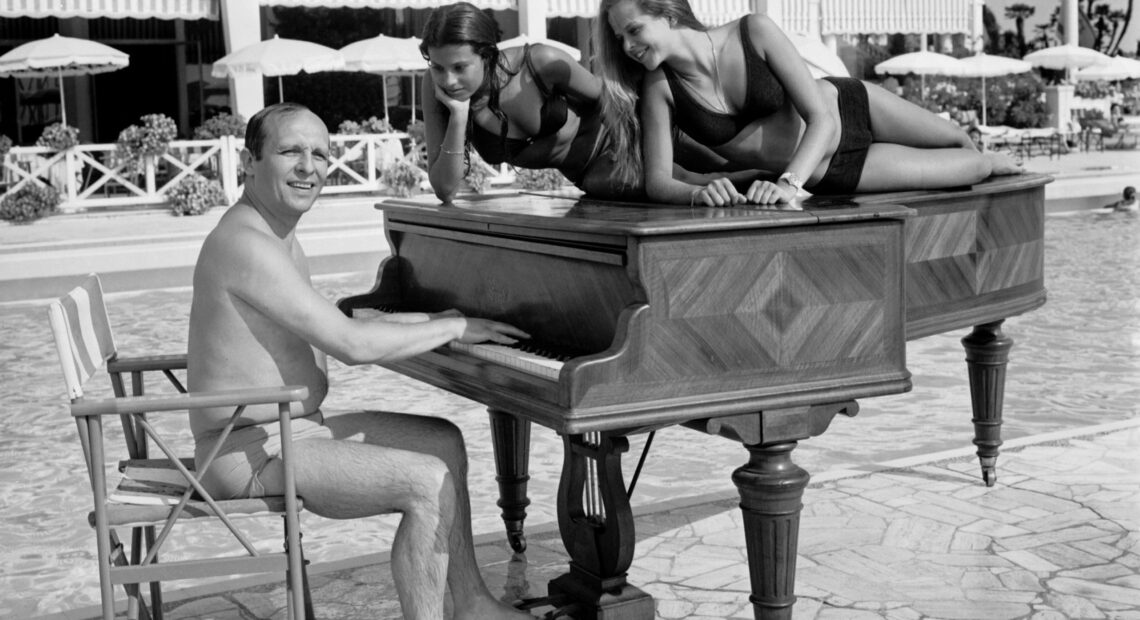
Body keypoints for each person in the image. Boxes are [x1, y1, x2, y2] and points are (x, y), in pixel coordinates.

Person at [187, 102, 534, 620]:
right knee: (425, 482)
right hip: (248, 454)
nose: (309, 167)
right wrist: (456, 328)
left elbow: (332, 323)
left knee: (444, 441)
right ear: (249, 161)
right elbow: (350, 346)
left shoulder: (274, 232)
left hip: (289, 431)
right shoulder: (245, 243)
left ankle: (473, 605)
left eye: (320, 154)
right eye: (290, 152)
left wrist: (432, 318)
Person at [594, 0, 1024, 207]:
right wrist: (700, 193)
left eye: (634, 30)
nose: (628, 45)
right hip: (830, 170)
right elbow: (657, 181)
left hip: (852, 106)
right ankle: (991, 162)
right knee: (972, 166)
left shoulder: (753, 32)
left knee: (958, 138)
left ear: (668, 15)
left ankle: (998, 181)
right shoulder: (660, 89)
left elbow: (819, 116)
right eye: (620, 38)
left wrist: (786, 185)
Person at [420, 1, 750, 203]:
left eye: (460, 67)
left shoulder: (540, 63)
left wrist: (650, 156)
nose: (448, 80)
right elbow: (445, 190)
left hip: (629, 137)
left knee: (730, 167)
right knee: (711, 188)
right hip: (594, 176)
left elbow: (618, 99)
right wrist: (459, 117)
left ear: (487, 55)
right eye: (437, 67)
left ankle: (790, 176)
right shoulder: (439, 92)